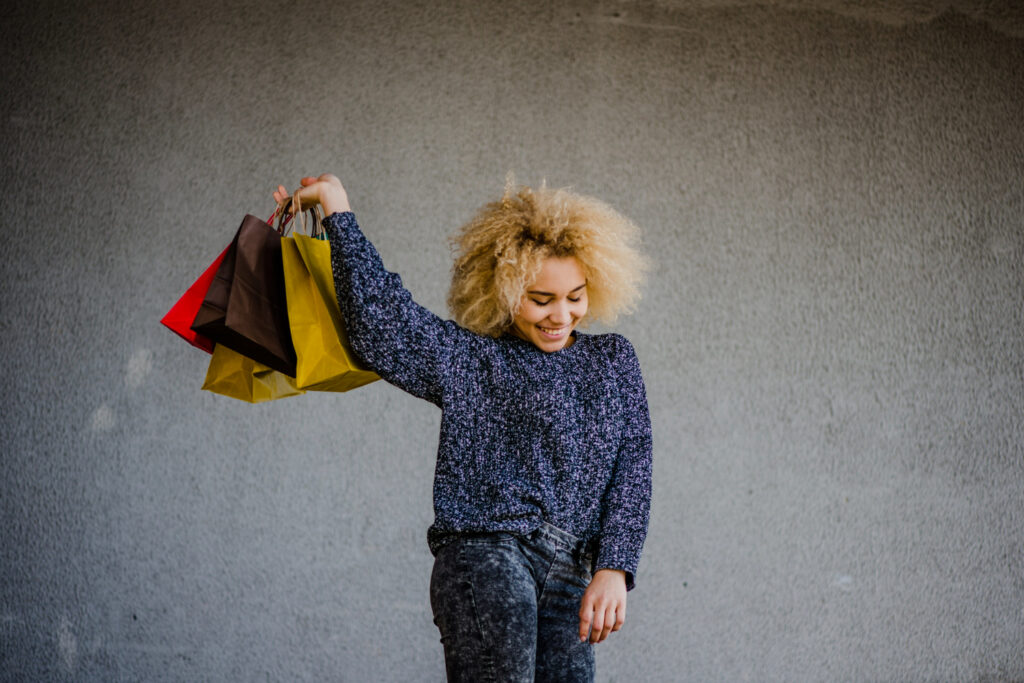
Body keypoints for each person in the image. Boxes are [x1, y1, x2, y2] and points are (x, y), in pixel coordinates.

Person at [274, 174, 652, 683]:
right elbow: (384, 321)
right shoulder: (473, 359)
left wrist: (615, 566)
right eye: (540, 299)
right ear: (504, 289)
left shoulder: (613, 360)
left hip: (573, 574)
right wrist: (338, 210)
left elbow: (633, 466)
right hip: (488, 557)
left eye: (575, 297)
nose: (560, 315)